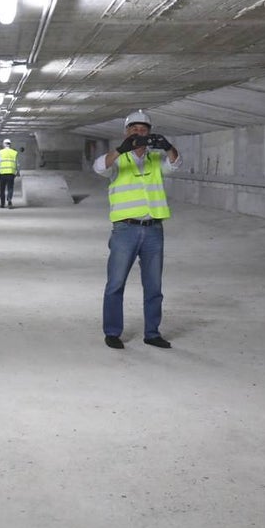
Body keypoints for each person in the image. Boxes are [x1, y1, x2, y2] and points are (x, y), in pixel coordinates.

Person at [94, 110, 181, 350]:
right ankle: (112, 332)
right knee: (116, 283)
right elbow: (99, 167)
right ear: (126, 132)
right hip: (125, 230)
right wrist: (120, 150)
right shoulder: (118, 159)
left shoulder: (155, 159)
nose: (138, 133)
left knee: (154, 286)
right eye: (134, 129)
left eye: (143, 130)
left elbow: (175, 165)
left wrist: (169, 147)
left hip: (153, 229)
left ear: (149, 133)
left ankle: (152, 333)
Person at [0, 138, 20, 208]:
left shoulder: (1, 152)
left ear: (4, 144)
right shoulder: (14, 152)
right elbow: (17, 163)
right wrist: (18, 172)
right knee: (10, 188)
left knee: (2, 189)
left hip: (3, 173)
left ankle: (2, 204)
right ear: (10, 144)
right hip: (11, 173)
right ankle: (9, 200)